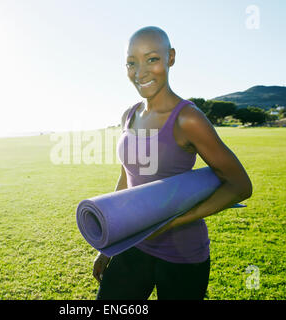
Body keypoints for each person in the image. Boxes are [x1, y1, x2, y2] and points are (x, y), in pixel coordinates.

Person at [93, 26, 253, 300]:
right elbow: (126, 180)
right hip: (133, 245)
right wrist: (108, 246)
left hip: (182, 256)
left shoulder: (188, 119)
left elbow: (240, 186)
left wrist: (173, 222)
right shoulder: (128, 116)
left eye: (152, 59)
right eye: (131, 63)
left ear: (171, 57)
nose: (140, 71)